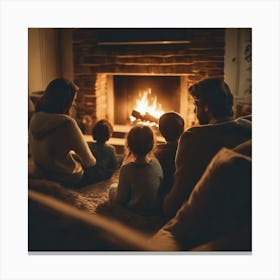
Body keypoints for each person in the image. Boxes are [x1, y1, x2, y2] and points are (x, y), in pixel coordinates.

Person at [163, 78, 252, 219]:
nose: (194, 110)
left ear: (207, 108)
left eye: (195, 105)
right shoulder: (248, 129)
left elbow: (178, 195)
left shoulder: (193, 137)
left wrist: (165, 205)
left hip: (202, 218)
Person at [29, 78, 96, 187]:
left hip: (42, 172)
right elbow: (89, 162)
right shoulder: (68, 124)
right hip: (66, 178)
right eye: (72, 100)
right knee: (101, 166)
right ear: (65, 102)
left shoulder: (35, 117)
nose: (74, 104)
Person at [109, 124, 163, 215]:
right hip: (153, 207)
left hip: (134, 209)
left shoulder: (126, 169)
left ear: (129, 145)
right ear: (152, 144)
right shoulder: (156, 163)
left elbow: (120, 199)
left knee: (112, 188)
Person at [154, 112, 184, 200]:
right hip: (179, 194)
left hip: (161, 195)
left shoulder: (156, 154)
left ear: (160, 131)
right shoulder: (186, 151)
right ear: (182, 131)